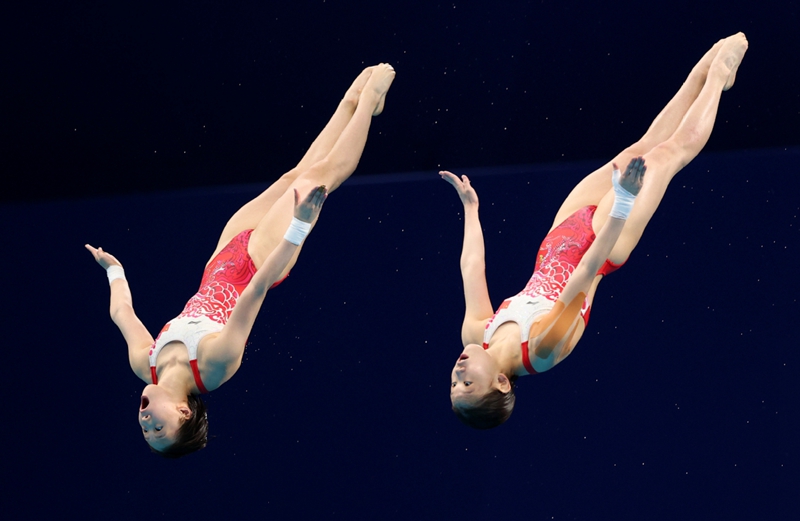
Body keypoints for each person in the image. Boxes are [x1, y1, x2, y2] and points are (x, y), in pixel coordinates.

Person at [86, 64, 396, 456]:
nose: (146, 424)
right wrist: (298, 228)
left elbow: (123, 315)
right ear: (183, 413)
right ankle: (367, 102)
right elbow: (254, 292)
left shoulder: (143, 364)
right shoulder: (214, 367)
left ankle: (351, 103)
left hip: (220, 259)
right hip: (259, 264)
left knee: (292, 176)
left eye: (145, 433)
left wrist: (114, 271)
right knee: (321, 178)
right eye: (158, 430)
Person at [442, 34, 748, 429]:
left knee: (637, 148)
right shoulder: (541, 348)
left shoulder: (477, 331)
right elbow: (585, 273)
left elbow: (471, 268)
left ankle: (702, 72)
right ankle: (719, 78)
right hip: (605, 244)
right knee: (666, 156)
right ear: (501, 382)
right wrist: (623, 200)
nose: (458, 369)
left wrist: (471, 209)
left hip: (559, 237)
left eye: (453, 380)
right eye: (466, 382)